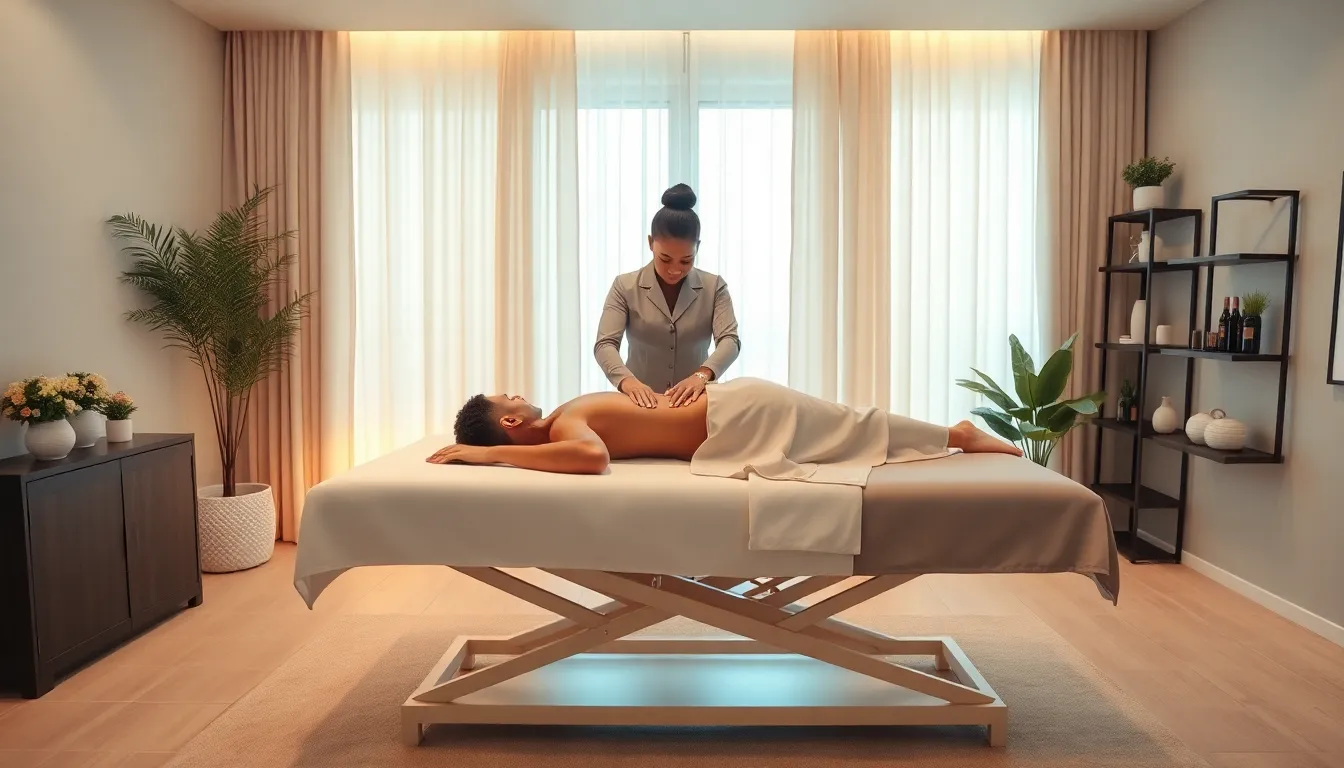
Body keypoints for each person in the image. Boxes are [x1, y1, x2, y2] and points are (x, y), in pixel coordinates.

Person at [431, 378, 1022, 475]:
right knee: (848, 428)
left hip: (738, 411)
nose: (520, 390)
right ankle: (955, 436)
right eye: (510, 395)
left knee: (848, 427)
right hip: (737, 415)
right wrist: (486, 454)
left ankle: (956, 436)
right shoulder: (566, 427)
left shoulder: (566, 419)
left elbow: (591, 458)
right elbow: (591, 459)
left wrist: (487, 454)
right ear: (511, 421)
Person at [593, 183, 740, 410]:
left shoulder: (715, 287)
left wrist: (701, 376)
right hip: (639, 405)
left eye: (686, 260)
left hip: (697, 405)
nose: (675, 269)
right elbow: (605, 344)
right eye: (665, 259)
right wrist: (628, 383)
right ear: (651, 243)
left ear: (697, 248)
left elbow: (730, 340)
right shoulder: (625, 286)